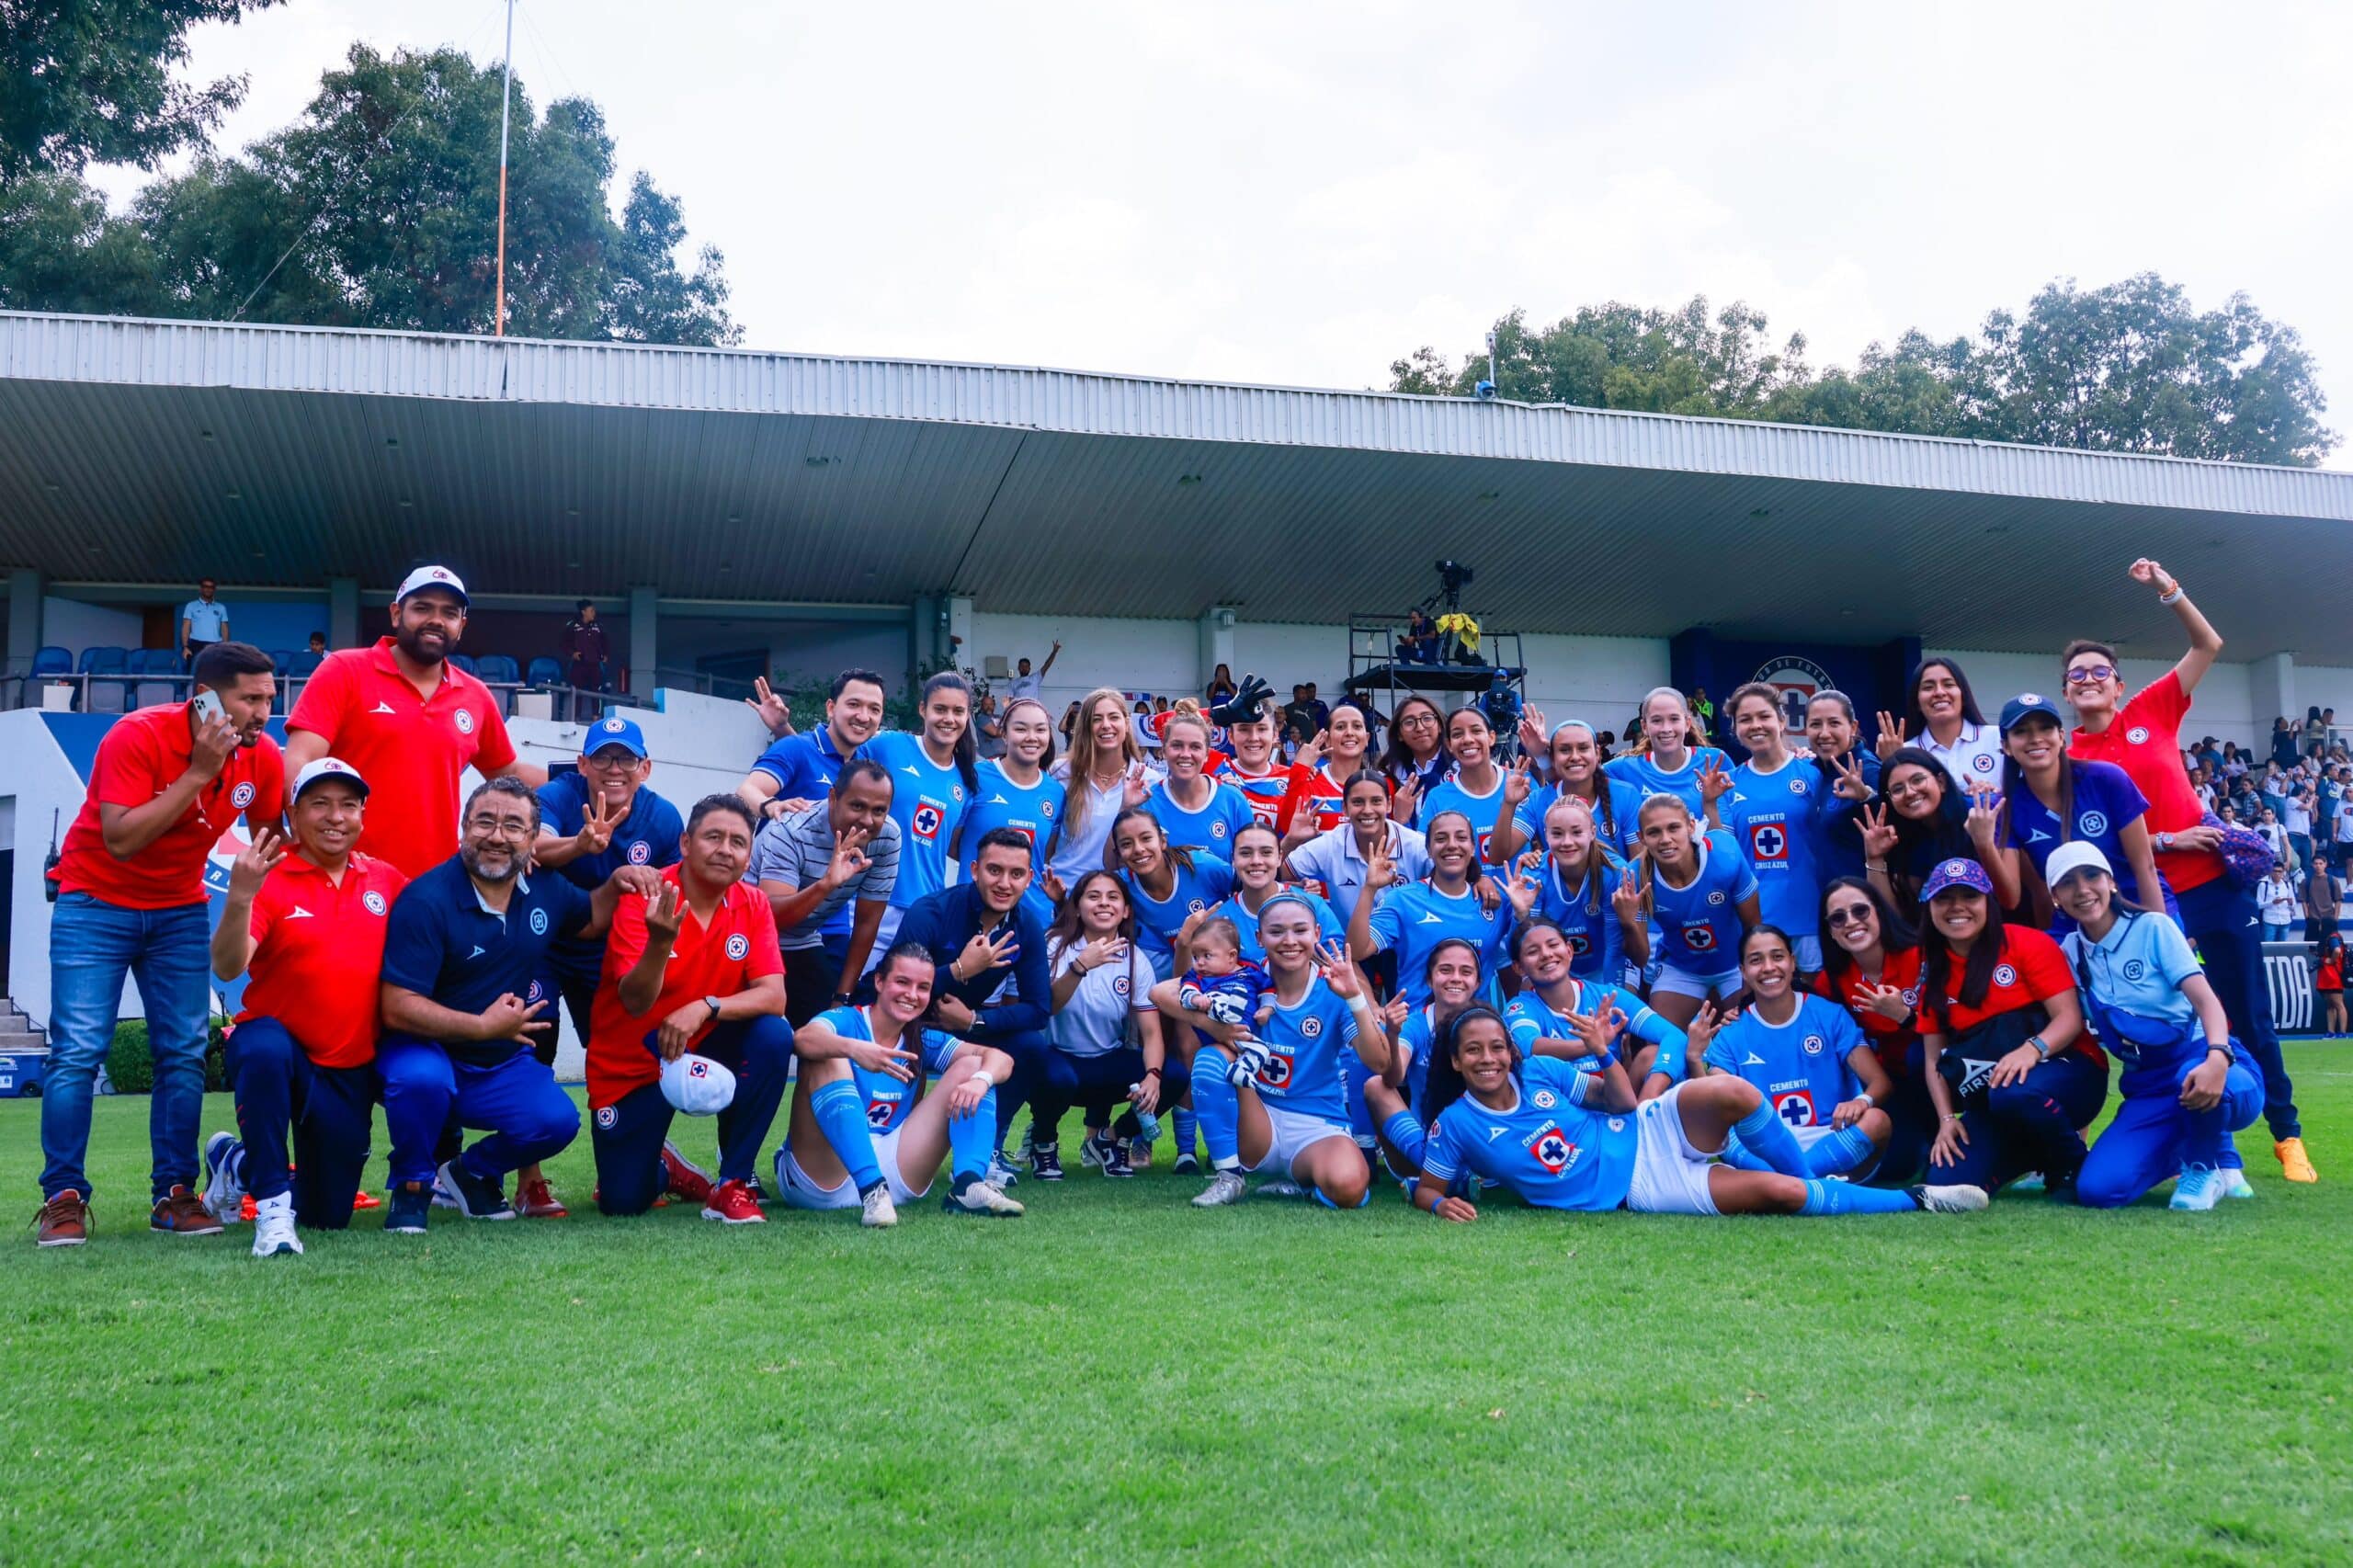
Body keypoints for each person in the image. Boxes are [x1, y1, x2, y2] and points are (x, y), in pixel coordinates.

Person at [2063, 557, 2313, 1185]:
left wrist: (2167, 589)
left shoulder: (2154, 708)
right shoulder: (2068, 758)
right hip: (2145, 908)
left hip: (2211, 890)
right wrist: (2169, 834)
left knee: (2248, 1014)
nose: (2089, 680)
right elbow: (2091, 840)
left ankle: (2287, 1138)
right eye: (2076, 676)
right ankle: (2198, 1144)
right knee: (2165, 1022)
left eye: (2100, 672)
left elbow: (2209, 644)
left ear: (2118, 685)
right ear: (2068, 693)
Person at [36, 641, 286, 1247]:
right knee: (78, 1052)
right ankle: (63, 1198)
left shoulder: (264, 757)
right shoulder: (137, 735)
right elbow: (121, 839)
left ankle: (174, 1195)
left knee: (183, 1052)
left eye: (269, 700)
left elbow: (274, 841)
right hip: (95, 900)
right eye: (249, 699)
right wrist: (200, 772)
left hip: (178, 907)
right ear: (204, 697)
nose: (263, 713)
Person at [376, 778, 656, 1233]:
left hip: (496, 1060)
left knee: (556, 1120)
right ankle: (411, 1189)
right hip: (425, 1050)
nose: (497, 836)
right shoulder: (426, 899)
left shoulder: (543, 887)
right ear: (464, 828)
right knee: (420, 1081)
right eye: (485, 822)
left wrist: (617, 884)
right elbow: (397, 1007)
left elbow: (587, 919)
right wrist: (481, 1026)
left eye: (513, 826)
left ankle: (469, 1172)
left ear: (532, 840)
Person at [1408, 1007, 1985, 1221]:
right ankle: (1923, 1201)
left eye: (1495, 1048)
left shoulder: (1538, 1072)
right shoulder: (1455, 1124)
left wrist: (1606, 1053)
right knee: (1780, 1196)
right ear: (1456, 1063)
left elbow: (1622, 1102)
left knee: (1731, 1091)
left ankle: (1815, 1180)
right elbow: (1426, 1188)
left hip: (1643, 1127)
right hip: (1640, 1185)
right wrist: (1440, 1202)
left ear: (1511, 1050)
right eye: (1473, 1052)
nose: (1488, 1059)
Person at [198, 757, 396, 1256]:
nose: (335, 817)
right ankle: (270, 1211)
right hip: (281, 1054)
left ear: (362, 816)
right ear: (292, 811)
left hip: (347, 1068)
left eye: (348, 805)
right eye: (320, 804)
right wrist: (240, 896)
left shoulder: (388, 881)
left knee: (328, 1216)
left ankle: (234, 1163)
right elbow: (227, 966)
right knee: (262, 1046)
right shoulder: (270, 876)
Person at [585, 796, 791, 1224]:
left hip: (706, 1043)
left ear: (748, 856)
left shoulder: (752, 904)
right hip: (636, 1060)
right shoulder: (646, 894)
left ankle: (733, 1182)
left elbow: (774, 996)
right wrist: (661, 942)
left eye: (738, 842)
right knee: (623, 1202)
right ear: (685, 843)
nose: (725, 850)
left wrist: (706, 1007)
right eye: (713, 837)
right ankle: (664, 1168)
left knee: (773, 1034)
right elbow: (635, 1002)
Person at [2046, 843, 2266, 1211]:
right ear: (2056, 897)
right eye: (2067, 883)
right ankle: (2190, 1143)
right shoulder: (2069, 952)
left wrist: (2217, 1057)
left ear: (2111, 882)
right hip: (2147, 1083)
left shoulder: (2154, 927)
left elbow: (2207, 1001)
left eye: (2091, 876)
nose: (2082, 889)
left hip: (2208, 1057)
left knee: (2201, 1080)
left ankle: (2204, 1164)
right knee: (2099, 1190)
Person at [286, 566, 543, 880]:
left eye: (449, 613)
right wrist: (301, 832)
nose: (436, 620)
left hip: (433, 886)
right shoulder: (344, 670)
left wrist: (581, 775)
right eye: (422, 608)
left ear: (461, 626)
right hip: (344, 877)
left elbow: (509, 774)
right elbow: (301, 759)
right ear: (396, 614)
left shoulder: (475, 695)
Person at [525, 714, 685, 1217]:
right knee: (535, 1046)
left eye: (625, 759)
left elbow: (662, 894)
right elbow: (531, 846)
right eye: (602, 757)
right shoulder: (558, 795)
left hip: (613, 949)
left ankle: (631, 1160)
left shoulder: (662, 819)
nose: (613, 768)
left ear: (645, 767)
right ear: (582, 764)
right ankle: (530, 1181)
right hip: (545, 942)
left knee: (626, 1050)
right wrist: (581, 844)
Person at [774, 942, 1024, 1222]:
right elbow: (803, 1039)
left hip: (896, 1171)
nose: (912, 995)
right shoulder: (848, 1020)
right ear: (879, 981)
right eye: (902, 982)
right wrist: (856, 1049)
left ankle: (968, 1185)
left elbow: (1002, 1060)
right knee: (827, 1053)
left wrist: (980, 1080)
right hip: (823, 1177)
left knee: (976, 1065)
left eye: (923, 987)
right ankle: (871, 1189)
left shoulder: (921, 1037)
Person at [1915, 858, 2104, 1199]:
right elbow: (1933, 1059)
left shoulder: (2026, 943)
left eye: (1969, 896)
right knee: (1946, 1181)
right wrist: (1946, 1119)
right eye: (1944, 898)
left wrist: (2031, 1050)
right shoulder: (1933, 970)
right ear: (1930, 907)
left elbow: (2069, 1019)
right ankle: (2035, 1151)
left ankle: (2071, 1165)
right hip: (1996, 1096)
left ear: (1988, 901)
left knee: (2015, 1092)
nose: (1957, 907)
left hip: (2070, 1073)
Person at [1187, 900, 1392, 1210]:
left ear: (1317, 933)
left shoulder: (1332, 986)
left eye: (1300, 930)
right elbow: (1160, 994)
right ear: (1259, 938)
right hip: (1256, 1118)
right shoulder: (1243, 976)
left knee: (1348, 1188)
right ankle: (1230, 1178)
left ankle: (1302, 1184)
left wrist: (1356, 998)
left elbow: (1379, 1061)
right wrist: (1217, 1030)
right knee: (1211, 1059)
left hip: (1316, 1124)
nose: (1289, 941)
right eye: (1276, 932)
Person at [891, 828, 1055, 1182]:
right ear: (975, 869)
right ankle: (888, 1141)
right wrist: (959, 971)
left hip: (967, 1031)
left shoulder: (1026, 927)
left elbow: (1039, 1009)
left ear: (1029, 879)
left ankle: (989, 1147)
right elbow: (893, 987)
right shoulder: (931, 912)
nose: (1004, 883)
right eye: (994, 871)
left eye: (1016, 874)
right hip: (910, 1027)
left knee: (1030, 1046)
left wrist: (973, 1021)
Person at [1690, 926, 1898, 1179]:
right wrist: (1694, 1057)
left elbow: (1880, 1083)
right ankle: (1810, 1181)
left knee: (1877, 1120)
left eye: (1777, 957)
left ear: (1792, 962)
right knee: (1727, 1137)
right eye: (1756, 960)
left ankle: (1787, 1181)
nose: (1768, 967)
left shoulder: (1830, 1015)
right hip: (1765, 1146)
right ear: (1743, 972)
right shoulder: (1732, 1034)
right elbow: (1715, 1109)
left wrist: (1859, 1102)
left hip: (1831, 1135)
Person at [1974, 694, 2168, 932]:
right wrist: (1984, 845)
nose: (2035, 738)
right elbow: (2010, 898)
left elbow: (2145, 866)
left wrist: (2159, 932)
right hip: (2074, 924)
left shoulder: (2106, 779)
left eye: (2045, 728)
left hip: (2139, 908)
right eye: (2021, 731)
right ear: (2006, 746)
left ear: (2061, 737)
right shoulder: (2006, 806)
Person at [1038, 872, 1188, 1180]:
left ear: (1126, 910)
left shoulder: (1135, 959)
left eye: (1112, 897)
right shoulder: (1054, 946)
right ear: (1077, 907)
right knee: (1055, 1078)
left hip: (1106, 1063)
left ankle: (1109, 1139)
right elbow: (1046, 1008)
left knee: (1173, 1076)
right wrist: (1080, 967)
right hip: (1058, 1060)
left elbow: (1151, 1032)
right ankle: (1043, 1142)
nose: (1103, 903)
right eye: (1093, 896)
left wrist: (1153, 1076)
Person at [751, 760, 900, 1026]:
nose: (867, 820)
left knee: (828, 1028)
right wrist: (826, 884)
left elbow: (867, 923)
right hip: (750, 933)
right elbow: (770, 917)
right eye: (857, 806)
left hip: (802, 938)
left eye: (879, 810)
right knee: (767, 1031)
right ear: (833, 797)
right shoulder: (790, 830)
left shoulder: (887, 837)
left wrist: (841, 997)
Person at [1720, 681, 1848, 976]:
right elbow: (1725, 858)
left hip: (1810, 917)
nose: (1756, 726)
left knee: (1817, 1001)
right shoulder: (1728, 784)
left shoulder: (1814, 772)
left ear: (1781, 720)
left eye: (1764, 716)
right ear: (1735, 729)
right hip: (1757, 922)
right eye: (1745, 720)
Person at [1813, 877, 1936, 1185]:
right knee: (1897, 1168)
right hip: (1887, 1087)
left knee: (1917, 1055)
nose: (1851, 922)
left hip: (1939, 1071)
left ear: (1879, 912)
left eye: (1861, 911)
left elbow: (1955, 1030)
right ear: (1830, 930)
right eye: (1838, 918)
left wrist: (1906, 1017)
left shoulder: (1921, 956)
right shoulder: (1829, 983)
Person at [1347, 811, 1511, 1011]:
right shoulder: (1403, 900)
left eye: (1461, 837)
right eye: (1441, 839)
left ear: (1473, 847)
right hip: (1415, 1029)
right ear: (1429, 849)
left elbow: (1526, 956)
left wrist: (1521, 912)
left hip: (1474, 1031)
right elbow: (1356, 951)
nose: (1451, 844)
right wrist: (1370, 888)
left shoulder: (1493, 901)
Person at [1502, 919, 1687, 1095]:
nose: (1546, 954)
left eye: (1553, 945)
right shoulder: (1519, 1008)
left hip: (1616, 1102)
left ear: (1569, 951)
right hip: (1561, 1110)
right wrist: (1592, 1045)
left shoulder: (1609, 996)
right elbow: (1530, 1047)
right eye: (1533, 951)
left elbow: (1674, 1036)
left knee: (1652, 1055)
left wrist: (1647, 1099)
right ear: (1519, 968)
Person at [1633, 795, 1760, 1028]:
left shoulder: (1724, 856)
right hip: (1681, 968)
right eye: (1653, 833)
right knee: (1658, 1043)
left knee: (1748, 1034)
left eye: (1674, 828)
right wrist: (1627, 919)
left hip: (1734, 964)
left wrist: (1750, 984)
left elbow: (1754, 928)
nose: (1665, 840)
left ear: (1691, 826)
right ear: (1641, 838)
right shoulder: (1635, 877)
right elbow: (1639, 959)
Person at [1505, 793, 1644, 987]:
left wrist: (1611, 1000)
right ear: (1546, 835)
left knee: (1619, 1007)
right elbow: (1521, 949)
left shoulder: (1614, 872)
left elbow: (1614, 947)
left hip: (1606, 965)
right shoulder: (1535, 874)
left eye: (1577, 832)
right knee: (1532, 996)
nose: (1567, 842)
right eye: (1557, 834)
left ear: (1593, 832)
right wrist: (1520, 915)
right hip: (1556, 965)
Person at [956, 696, 1060, 926]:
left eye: (1040, 730)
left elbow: (1045, 855)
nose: (1031, 737)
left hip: (1033, 918)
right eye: (1021, 729)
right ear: (1004, 733)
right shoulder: (975, 776)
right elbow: (954, 844)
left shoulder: (1056, 792)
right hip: (974, 914)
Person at [738, 668, 888, 823]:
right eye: (854, 704)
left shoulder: (867, 766)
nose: (863, 717)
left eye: (874, 709)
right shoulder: (795, 747)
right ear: (831, 708)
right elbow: (746, 792)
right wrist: (772, 806)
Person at [1286, 771, 1431, 928]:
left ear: (1389, 804)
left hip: (1406, 947)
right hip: (1350, 948)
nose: (1367, 810)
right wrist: (1290, 841)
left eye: (1376, 801)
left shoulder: (1416, 845)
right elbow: (1275, 873)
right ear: (1345, 808)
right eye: (1357, 802)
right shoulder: (1331, 843)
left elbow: (1452, 887)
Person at [1109, 807, 1235, 984]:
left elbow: (1250, 885)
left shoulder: (1201, 865)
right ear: (1118, 854)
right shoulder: (1121, 886)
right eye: (1126, 844)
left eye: (1146, 838)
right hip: (1170, 968)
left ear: (1162, 841)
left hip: (1224, 961)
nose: (1138, 849)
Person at [1049, 687, 1154, 892]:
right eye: (1096, 719)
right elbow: (1048, 840)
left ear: (1127, 724)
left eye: (1114, 717)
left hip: (1116, 900)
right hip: (1063, 895)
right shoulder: (1061, 771)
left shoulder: (1149, 781)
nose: (1106, 725)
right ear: (1086, 727)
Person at [1496, 714, 1642, 861]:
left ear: (1598, 754)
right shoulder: (1538, 799)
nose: (1575, 756)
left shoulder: (1625, 795)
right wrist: (1509, 803)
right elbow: (1498, 856)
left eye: (1583, 748)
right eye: (1565, 750)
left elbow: (1639, 865)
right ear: (1552, 758)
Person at [1857, 746, 1978, 912]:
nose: (1910, 792)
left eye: (1918, 780)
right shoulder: (1911, 837)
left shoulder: (1977, 812)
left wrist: (1984, 844)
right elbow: (1895, 914)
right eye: (1898, 789)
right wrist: (1874, 857)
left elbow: (2008, 898)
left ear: (1941, 782)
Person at [1205, 822, 1345, 963]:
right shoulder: (1219, 922)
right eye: (1245, 853)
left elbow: (1339, 963)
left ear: (1279, 858)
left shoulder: (1314, 906)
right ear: (1233, 860)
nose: (1256, 861)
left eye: (1266, 852)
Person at [1604, 688, 1731, 820]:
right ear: (1644, 727)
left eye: (1674, 719)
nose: (1666, 729)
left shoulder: (1715, 760)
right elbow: (1588, 779)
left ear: (1687, 723)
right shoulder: (1623, 768)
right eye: (1656, 720)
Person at [1881, 657, 2004, 793]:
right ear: (1917, 703)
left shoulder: (1998, 737)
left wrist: (1994, 794)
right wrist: (1891, 761)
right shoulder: (1906, 751)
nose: (1939, 692)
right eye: (1928, 687)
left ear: (1963, 696)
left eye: (1948, 684)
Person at [1145, 710, 1256, 856]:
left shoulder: (1233, 800)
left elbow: (1252, 859)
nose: (1185, 754)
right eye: (1177, 745)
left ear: (1207, 755)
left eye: (1195, 747)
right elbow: (1121, 863)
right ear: (1164, 751)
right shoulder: (1148, 802)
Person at [1410, 707, 1507, 859]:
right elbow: (1424, 857)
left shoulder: (1521, 783)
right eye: (1457, 734)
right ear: (1449, 745)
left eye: (1476, 731)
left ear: (1491, 737)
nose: (1467, 739)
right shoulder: (1437, 797)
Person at [1279, 699, 1377, 836]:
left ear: (1366, 738)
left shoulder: (1383, 784)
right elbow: (1287, 831)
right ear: (1327, 740)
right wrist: (1299, 770)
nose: (1349, 732)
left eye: (1357, 726)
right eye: (1340, 727)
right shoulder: (1310, 781)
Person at [1379, 695, 1450, 806]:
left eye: (1427, 718)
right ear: (1399, 734)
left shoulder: (1460, 766)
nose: (1420, 728)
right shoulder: (1392, 773)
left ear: (1440, 725)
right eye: (1409, 722)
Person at [560, 599, 610, 721]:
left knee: (596, 691)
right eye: (591, 611)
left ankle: (596, 718)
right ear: (583, 612)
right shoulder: (572, 625)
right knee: (577, 691)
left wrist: (606, 655)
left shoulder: (598, 626)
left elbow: (606, 642)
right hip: (579, 664)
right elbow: (563, 644)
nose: (594, 613)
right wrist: (572, 654)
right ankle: (576, 718)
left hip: (595, 664)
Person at [178, 577, 231, 664]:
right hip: (195, 644)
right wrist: (185, 647)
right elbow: (186, 627)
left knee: (215, 671)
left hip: (216, 644)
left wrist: (226, 647)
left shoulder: (221, 608)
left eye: (211, 587)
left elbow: (225, 629)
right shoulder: (191, 606)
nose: (208, 589)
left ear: (214, 590)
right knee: (194, 670)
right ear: (201, 589)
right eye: (206, 586)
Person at [1006, 641, 1062, 705]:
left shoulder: (1035, 678)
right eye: (1022, 666)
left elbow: (1047, 665)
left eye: (1026, 666)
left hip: (1033, 711)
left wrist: (1054, 652)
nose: (1024, 668)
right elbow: (1009, 701)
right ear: (1018, 668)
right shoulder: (1012, 683)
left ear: (1029, 669)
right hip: (1019, 712)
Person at [2256, 863, 2299, 942]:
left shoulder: (2287, 885)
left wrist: (2291, 903)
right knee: (2268, 948)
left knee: (2282, 949)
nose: (2277, 873)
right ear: (2270, 872)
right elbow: (2258, 905)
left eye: (2280, 871)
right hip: (2270, 920)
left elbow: (2293, 904)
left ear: (2283, 873)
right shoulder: (2263, 885)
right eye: (2275, 871)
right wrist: (2272, 902)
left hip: (2285, 920)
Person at [2314, 936, 2346, 1037]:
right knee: (2330, 1006)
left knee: (2338, 1004)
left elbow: (2337, 950)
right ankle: (2331, 1032)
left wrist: (2331, 960)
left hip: (2333, 976)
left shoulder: (2332, 938)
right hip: (2327, 978)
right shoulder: (2329, 938)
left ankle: (2342, 1033)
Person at [2307, 859, 2339, 946]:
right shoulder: (2307, 881)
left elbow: (2338, 901)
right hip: (2313, 919)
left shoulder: (2333, 880)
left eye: (2321, 863)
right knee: (2311, 948)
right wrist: (2307, 917)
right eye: (2316, 863)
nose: (2318, 866)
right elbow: (2304, 901)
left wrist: (2335, 919)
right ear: (2312, 865)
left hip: (2329, 920)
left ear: (2325, 864)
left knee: (2331, 947)